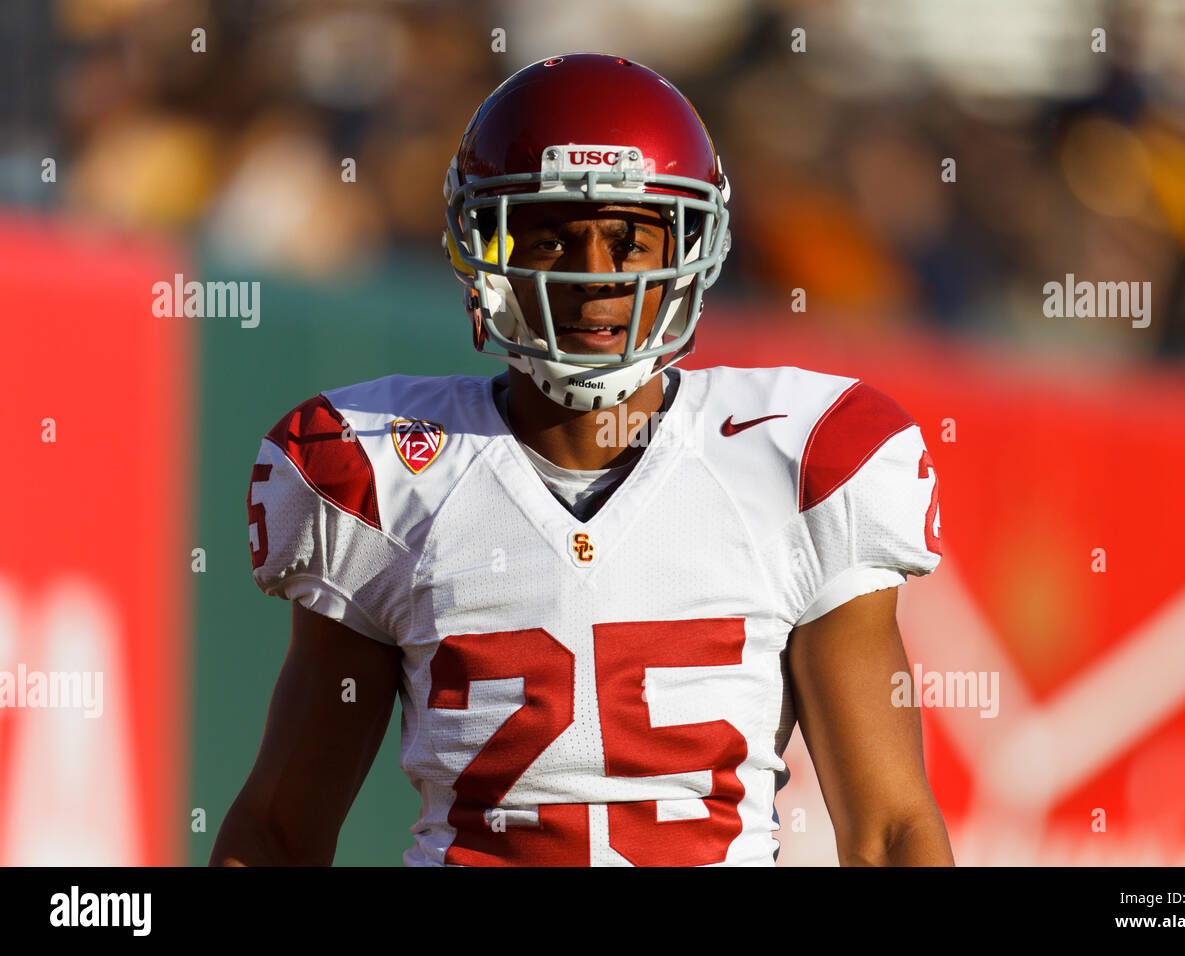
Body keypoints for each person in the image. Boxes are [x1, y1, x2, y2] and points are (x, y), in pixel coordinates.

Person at [211, 52, 953, 867]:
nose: (596, 277)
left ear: (690, 244)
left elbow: (887, 833)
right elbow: (281, 831)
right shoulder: (379, 469)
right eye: (555, 239)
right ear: (484, 247)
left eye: (630, 239)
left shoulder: (799, 459)